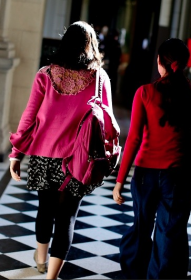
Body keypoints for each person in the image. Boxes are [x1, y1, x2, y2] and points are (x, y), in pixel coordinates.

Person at [8, 21, 113, 279]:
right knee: (67, 217)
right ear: (90, 46)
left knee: (45, 208)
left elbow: (29, 117)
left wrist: (16, 153)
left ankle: (40, 258)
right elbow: (108, 123)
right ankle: (51, 277)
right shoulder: (99, 78)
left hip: (44, 154)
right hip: (80, 160)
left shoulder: (45, 74)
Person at [112, 38, 191, 279]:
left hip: (145, 173)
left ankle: (135, 273)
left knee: (141, 229)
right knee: (169, 234)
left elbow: (133, 139)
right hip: (178, 174)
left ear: (159, 62)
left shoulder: (145, 92)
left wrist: (119, 180)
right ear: (184, 64)